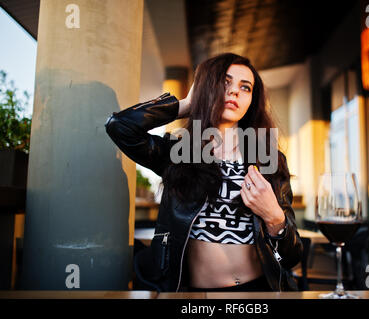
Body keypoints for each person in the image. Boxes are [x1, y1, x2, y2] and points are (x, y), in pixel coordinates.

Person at [105, 53, 303, 292]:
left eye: (245, 87)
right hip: (197, 295)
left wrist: (274, 217)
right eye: (224, 82)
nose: (234, 92)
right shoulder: (179, 153)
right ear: (207, 87)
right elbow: (121, 127)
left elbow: (291, 257)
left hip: (260, 290)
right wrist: (187, 105)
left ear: (252, 100)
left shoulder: (269, 158)